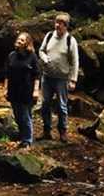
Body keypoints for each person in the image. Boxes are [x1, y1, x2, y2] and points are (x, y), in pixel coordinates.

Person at [38, 12, 78, 142]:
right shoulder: (49, 36)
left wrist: (73, 79)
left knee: (62, 106)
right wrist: (44, 58)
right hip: (47, 76)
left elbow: (75, 62)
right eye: (56, 22)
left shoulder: (70, 40)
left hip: (62, 78)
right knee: (45, 104)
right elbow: (41, 50)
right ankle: (46, 130)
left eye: (60, 23)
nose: (57, 25)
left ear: (66, 26)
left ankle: (63, 131)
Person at [4, 32, 40, 148]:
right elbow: (7, 74)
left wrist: (36, 90)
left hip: (26, 90)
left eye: (22, 40)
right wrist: (5, 89)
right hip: (13, 90)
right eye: (19, 39)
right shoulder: (11, 55)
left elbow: (37, 75)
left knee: (25, 115)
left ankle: (27, 140)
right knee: (17, 115)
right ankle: (22, 135)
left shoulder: (32, 57)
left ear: (27, 43)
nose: (19, 41)